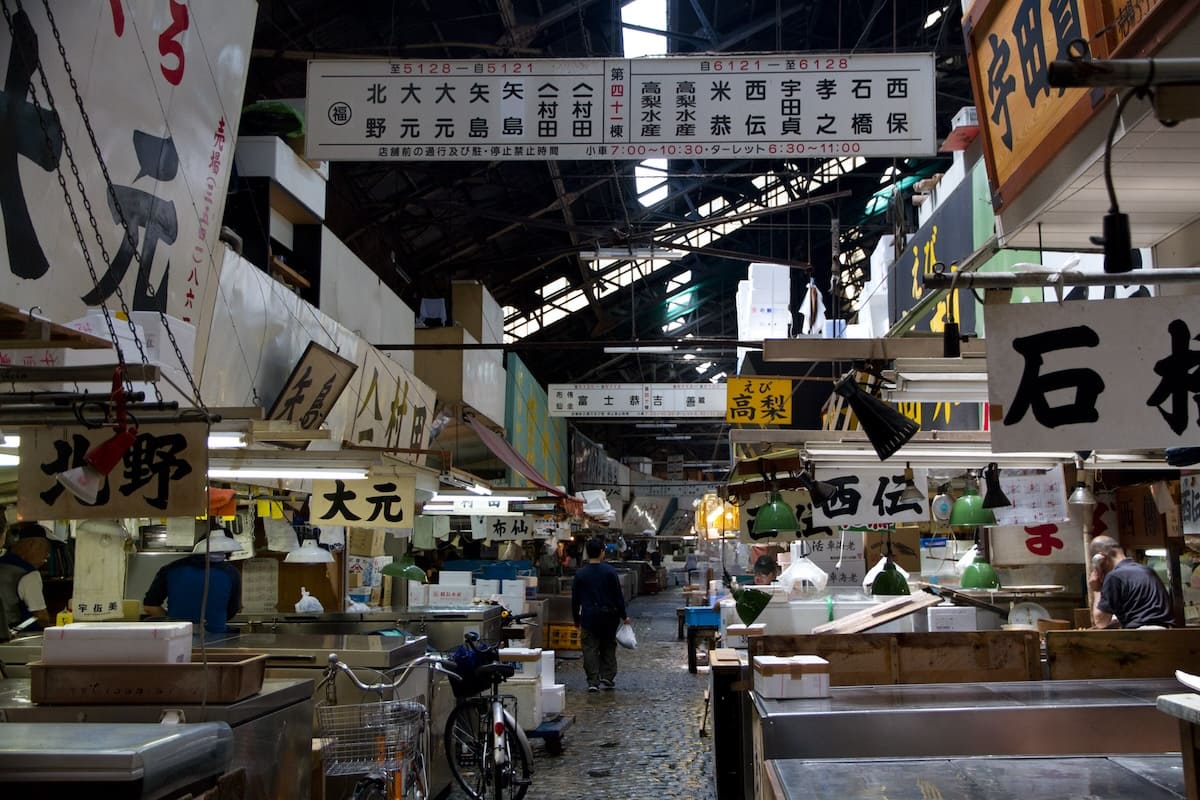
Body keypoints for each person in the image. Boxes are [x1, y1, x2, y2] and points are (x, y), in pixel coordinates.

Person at [143, 531, 243, 633]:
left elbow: (149, 606)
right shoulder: (230, 573)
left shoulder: (171, 568)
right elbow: (232, 610)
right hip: (216, 637)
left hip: (177, 636)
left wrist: (173, 621)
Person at [571, 537, 630, 692]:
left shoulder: (581, 574)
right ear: (602, 552)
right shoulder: (610, 572)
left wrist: (576, 619)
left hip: (589, 617)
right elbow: (618, 596)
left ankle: (593, 681)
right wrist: (624, 616)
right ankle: (608, 677)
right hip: (609, 617)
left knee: (589, 648)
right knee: (608, 645)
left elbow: (575, 599)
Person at [1088, 535, 1174, 629]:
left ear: (1100, 558)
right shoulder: (1148, 571)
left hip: (1142, 637)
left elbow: (1100, 622)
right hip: (1167, 633)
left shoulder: (1114, 577)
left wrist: (1098, 589)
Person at [0, 524, 52, 636]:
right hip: (21, 638)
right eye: (46, 549)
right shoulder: (29, 574)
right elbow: (41, 616)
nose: (47, 556)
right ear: (31, 545)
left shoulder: (2, 563)